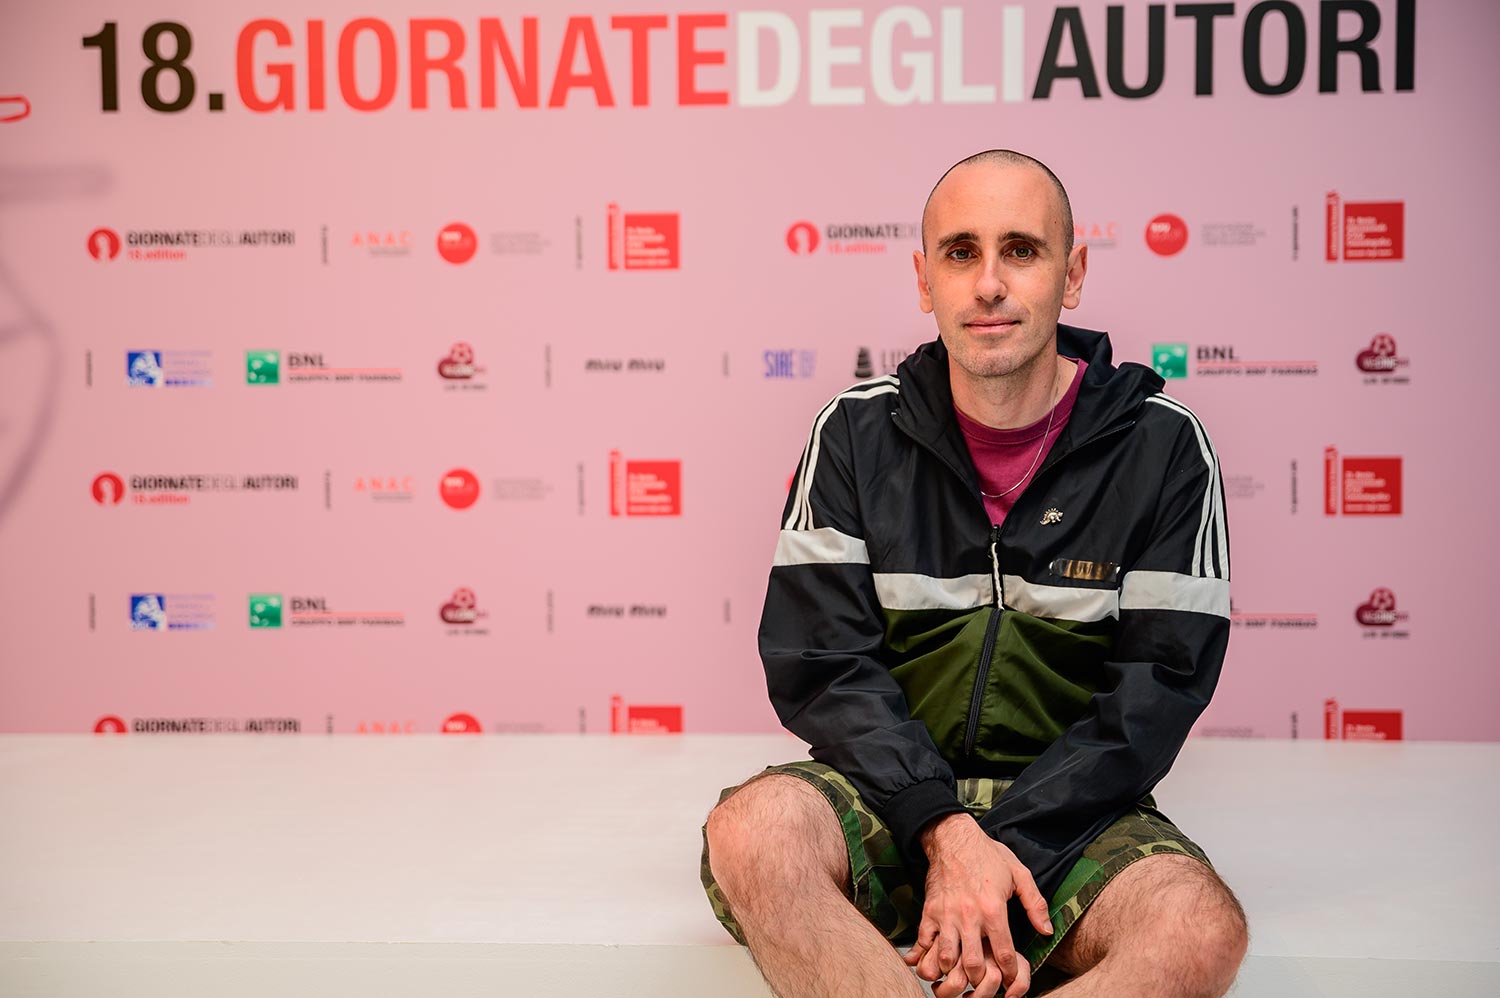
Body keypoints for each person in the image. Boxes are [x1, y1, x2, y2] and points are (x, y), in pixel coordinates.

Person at [701, 150, 1246, 998]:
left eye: (1021, 250)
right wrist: (944, 832)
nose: (989, 283)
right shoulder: (853, 436)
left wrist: (993, 856)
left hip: (1069, 822)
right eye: (961, 253)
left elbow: (1155, 695)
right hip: (888, 802)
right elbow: (824, 667)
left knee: (1199, 929)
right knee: (753, 832)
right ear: (925, 280)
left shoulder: (1164, 447)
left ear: (1073, 275)